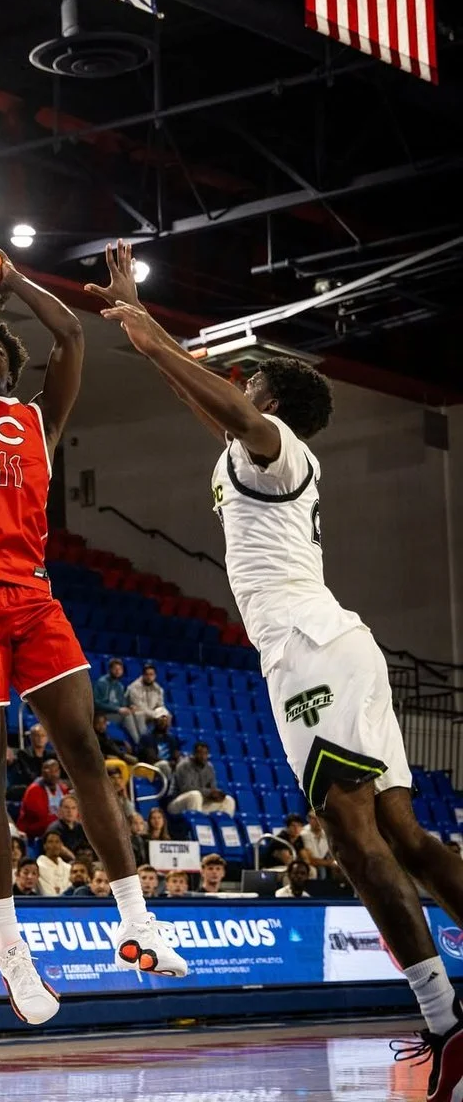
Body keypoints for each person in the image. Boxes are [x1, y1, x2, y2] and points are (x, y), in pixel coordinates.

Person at [95, 238, 463, 1090]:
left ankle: (445, 1021)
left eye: (247, 383)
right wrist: (147, 334)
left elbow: (234, 413)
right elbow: (212, 408)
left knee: (352, 833)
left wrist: (151, 335)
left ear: (267, 398)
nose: (239, 391)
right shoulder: (248, 456)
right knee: (407, 836)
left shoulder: (280, 447)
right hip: (343, 645)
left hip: (308, 648)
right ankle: (448, 1018)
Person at [0, 260, 185, 1028]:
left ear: (12, 359)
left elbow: (69, 332)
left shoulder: (39, 420)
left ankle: (135, 921)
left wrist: (9, 276)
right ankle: (10, 949)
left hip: (34, 595)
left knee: (87, 751)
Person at [167, 741, 236, 816]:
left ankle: (222, 825)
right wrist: (209, 792)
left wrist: (217, 794)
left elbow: (213, 789)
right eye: (200, 753)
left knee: (229, 800)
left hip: (200, 804)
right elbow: (185, 789)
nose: (203, 756)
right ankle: (195, 826)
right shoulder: (184, 765)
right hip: (177, 803)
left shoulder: (209, 767)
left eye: (205, 753)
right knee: (195, 795)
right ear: (194, 754)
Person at [94, 658, 142, 744]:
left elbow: (122, 703)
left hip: (116, 713)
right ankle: (138, 743)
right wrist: (118, 709)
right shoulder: (102, 682)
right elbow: (97, 703)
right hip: (104, 714)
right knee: (127, 716)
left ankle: (142, 741)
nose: (117, 671)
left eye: (120, 669)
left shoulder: (120, 685)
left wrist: (129, 707)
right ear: (110, 670)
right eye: (115, 669)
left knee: (137, 714)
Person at [18, 759, 69, 838]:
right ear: (43, 772)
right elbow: (40, 817)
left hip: (61, 829)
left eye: (55, 771)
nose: (53, 774)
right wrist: (64, 818)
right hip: (35, 833)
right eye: (49, 771)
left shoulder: (63, 788)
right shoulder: (33, 790)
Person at [137, 709, 181, 780]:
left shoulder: (171, 738)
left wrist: (177, 760)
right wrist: (169, 763)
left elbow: (175, 754)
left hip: (168, 766)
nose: (164, 723)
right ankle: (170, 788)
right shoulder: (147, 737)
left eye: (165, 721)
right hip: (151, 766)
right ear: (155, 722)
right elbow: (151, 758)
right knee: (164, 764)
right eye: (161, 721)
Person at [300, 808, 336, 876]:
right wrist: (330, 863)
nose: (319, 821)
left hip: (322, 862)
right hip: (308, 864)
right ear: (309, 819)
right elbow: (312, 859)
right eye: (315, 818)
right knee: (320, 870)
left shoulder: (327, 832)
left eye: (321, 819)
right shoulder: (304, 834)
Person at [37, 831, 70, 896]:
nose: (54, 845)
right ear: (44, 846)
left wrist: (60, 891)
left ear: (61, 845)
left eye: (57, 842)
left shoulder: (68, 867)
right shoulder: (38, 866)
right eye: (50, 842)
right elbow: (46, 891)